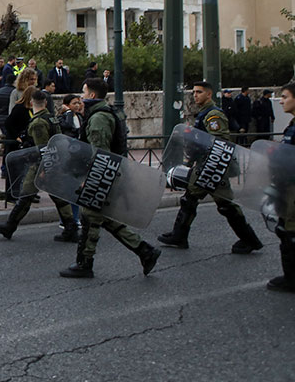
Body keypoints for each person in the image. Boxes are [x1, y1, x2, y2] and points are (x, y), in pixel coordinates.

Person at [60, 78, 161, 279]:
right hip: (109, 174)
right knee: (102, 217)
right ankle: (145, 251)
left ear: (92, 95)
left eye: (84, 92)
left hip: (103, 175)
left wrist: (90, 180)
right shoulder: (102, 113)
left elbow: (101, 154)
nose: (81, 96)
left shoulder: (99, 118)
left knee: (89, 217)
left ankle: (84, 263)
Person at [157, 80, 263, 254]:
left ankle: (249, 240)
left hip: (213, 167)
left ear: (209, 94)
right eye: (194, 92)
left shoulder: (213, 115)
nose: (195, 95)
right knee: (198, 199)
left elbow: (220, 142)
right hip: (208, 166)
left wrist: (207, 162)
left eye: (199, 92)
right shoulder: (204, 113)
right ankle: (180, 236)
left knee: (217, 203)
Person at [0, 90, 78, 242]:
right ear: (45, 102)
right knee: (58, 197)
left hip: (41, 165)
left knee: (26, 194)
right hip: (53, 163)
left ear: (31, 103)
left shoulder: (38, 123)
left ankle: (9, 227)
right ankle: (71, 228)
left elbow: (42, 148)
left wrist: (44, 170)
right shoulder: (51, 118)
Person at [265, 82, 295, 292]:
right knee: (286, 229)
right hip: (287, 184)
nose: (281, 101)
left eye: (285, 96)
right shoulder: (292, 126)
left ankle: (292, 279)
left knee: (290, 232)